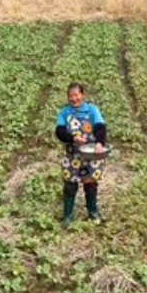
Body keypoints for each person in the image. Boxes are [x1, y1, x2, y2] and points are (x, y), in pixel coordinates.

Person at [55, 83, 107, 228]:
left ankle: (93, 213)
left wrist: (100, 143)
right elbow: (59, 132)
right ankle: (68, 216)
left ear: (82, 95)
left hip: (91, 156)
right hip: (72, 156)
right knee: (70, 185)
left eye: (76, 95)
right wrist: (73, 138)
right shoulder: (65, 113)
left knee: (90, 184)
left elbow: (100, 127)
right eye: (71, 95)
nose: (74, 98)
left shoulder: (92, 111)